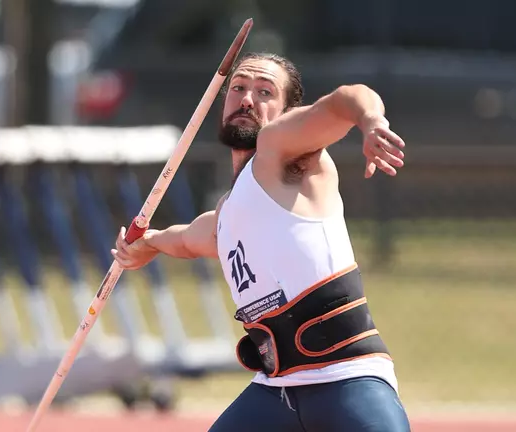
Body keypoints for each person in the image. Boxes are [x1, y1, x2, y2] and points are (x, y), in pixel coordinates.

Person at [112, 52, 411, 431]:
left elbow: (346, 98)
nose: (247, 99)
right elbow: (188, 240)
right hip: (276, 393)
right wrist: (147, 243)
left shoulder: (283, 149)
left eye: (264, 91)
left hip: (345, 380)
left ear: (289, 112)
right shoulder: (227, 214)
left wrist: (371, 121)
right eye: (238, 88)